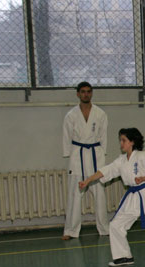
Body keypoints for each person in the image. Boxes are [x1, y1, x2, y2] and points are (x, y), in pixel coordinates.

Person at [79, 128, 145, 267]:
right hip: (132, 197)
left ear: (132, 142)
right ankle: (123, 257)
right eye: (120, 140)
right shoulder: (121, 160)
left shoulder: (142, 156)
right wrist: (88, 180)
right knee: (116, 225)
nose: (121, 143)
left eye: (124, 140)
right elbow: (106, 171)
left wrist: (143, 177)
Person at [62, 81, 109, 240]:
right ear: (78, 94)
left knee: (100, 195)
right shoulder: (71, 115)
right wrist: (69, 154)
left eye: (88, 91)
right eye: (83, 91)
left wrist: (102, 154)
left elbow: (103, 137)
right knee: (74, 195)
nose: (86, 94)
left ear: (91, 93)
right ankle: (70, 230)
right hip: (78, 156)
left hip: (95, 155)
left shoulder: (100, 114)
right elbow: (67, 137)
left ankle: (104, 228)